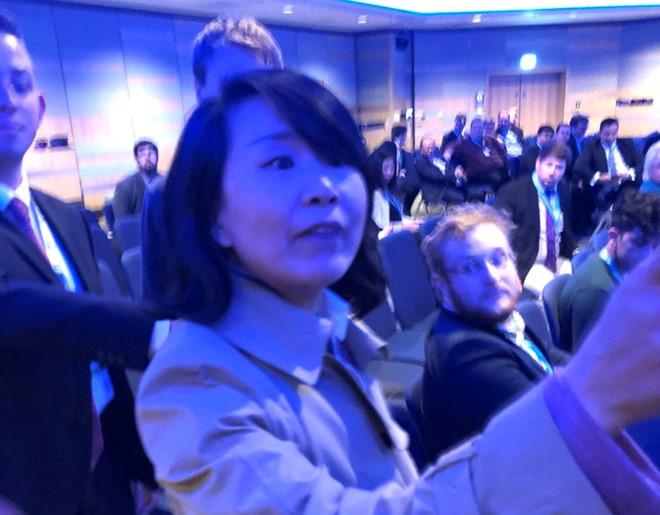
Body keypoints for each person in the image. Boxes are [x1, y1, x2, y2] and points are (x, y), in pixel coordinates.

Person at [136, 69, 660, 514]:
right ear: (214, 214)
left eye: (337, 160)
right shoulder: (195, 385)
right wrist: (581, 403)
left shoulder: (323, 329)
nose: (324, 188)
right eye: (280, 163)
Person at [0, 14, 159, 514]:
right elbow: (22, 309)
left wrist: (136, 462)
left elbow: (98, 358)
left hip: (106, 467)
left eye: (19, 83)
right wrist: (160, 331)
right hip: (24, 490)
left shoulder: (66, 218)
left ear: (40, 105)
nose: (6, 99)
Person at [141, 15, 283, 302]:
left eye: (263, 86)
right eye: (233, 86)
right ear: (199, 91)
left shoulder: (298, 179)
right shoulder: (166, 198)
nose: (250, 100)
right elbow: (158, 308)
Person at [419, 203, 569, 459]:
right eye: (469, 267)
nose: (491, 276)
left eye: (498, 259)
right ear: (441, 284)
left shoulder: (494, 317)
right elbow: (561, 425)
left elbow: (545, 356)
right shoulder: (464, 354)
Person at [559, 190, 660, 351]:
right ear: (613, 236)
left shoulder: (622, 268)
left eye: (654, 245)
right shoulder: (596, 292)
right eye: (639, 243)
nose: (648, 255)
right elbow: (593, 361)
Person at [495, 142, 576, 295]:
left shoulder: (563, 190)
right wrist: (510, 271)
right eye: (549, 165)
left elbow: (566, 230)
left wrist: (575, 251)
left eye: (559, 167)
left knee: (576, 289)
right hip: (528, 263)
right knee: (556, 293)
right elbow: (500, 237)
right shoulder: (512, 192)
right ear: (538, 163)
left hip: (558, 259)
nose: (552, 172)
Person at [574, 117, 643, 219]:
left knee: (632, 201)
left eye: (614, 134)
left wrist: (629, 173)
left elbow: (641, 162)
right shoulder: (592, 146)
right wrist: (598, 177)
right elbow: (579, 166)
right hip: (605, 185)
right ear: (600, 133)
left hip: (627, 182)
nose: (610, 137)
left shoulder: (627, 143)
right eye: (606, 134)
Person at [451, 117, 507, 202]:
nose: (477, 130)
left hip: (495, 171)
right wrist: (457, 167)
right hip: (474, 175)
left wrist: (501, 161)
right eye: (475, 127)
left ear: (483, 129)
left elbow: (502, 153)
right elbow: (453, 158)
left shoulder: (491, 141)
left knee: (506, 177)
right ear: (471, 129)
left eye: (480, 127)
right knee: (497, 177)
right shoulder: (463, 144)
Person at [369, 142, 417, 237]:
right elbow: (382, 226)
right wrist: (404, 227)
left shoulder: (387, 190)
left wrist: (413, 221)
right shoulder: (373, 193)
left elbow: (398, 217)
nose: (389, 173)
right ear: (377, 169)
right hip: (384, 240)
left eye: (392, 168)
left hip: (395, 236)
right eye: (385, 168)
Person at [413, 135, 464, 216]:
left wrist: (457, 171)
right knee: (460, 197)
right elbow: (437, 176)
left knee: (467, 188)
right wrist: (454, 174)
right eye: (427, 148)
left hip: (446, 185)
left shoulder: (436, 157)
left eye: (432, 147)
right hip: (436, 191)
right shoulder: (421, 162)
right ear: (421, 149)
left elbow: (448, 167)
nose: (430, 150)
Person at [112, 137, 161, 220]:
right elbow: (123, 223)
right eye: (142, 154)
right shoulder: (124, 187)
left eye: (151, 153)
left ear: (157, 156)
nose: (147, 157)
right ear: (137, 159)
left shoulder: (167, 183)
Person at [496, 109, 525, 179]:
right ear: (498, 121)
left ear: (509, 121)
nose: (503, 123)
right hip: (507, 157)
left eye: (505, 121)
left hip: (520, 156)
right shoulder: (496, 133)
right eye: (501, 121)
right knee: (512, 161)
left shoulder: (517, 131)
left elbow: (523, 144)